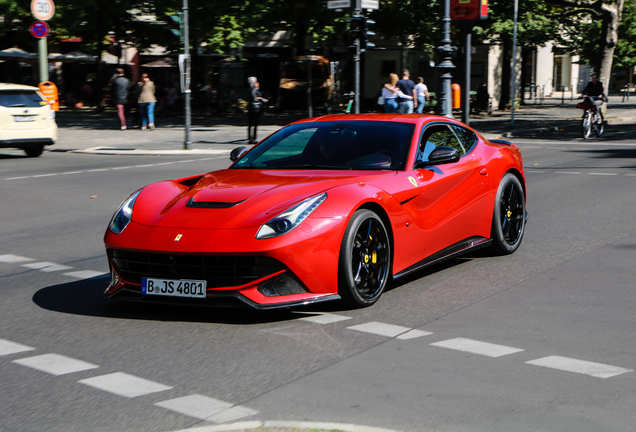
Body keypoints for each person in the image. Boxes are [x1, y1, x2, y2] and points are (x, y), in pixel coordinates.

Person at [245, 76, 268, 144]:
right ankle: (254, 138)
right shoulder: (255, 89)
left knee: (249, 124)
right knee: (255, 123)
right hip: (256, 107)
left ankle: (249, 138)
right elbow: (257, 97)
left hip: (250, 107)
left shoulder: (247, 89)